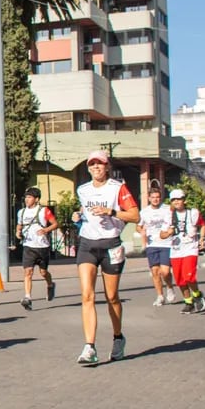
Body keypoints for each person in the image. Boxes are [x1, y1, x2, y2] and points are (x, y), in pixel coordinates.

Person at [70, 150, 139, 366]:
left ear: (107, 167)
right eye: (92, 165)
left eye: (100, 164)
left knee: (112, 297)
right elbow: (85, 213)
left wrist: (111, 211)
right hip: (88, 245)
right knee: (87, 296)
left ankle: (118, 337)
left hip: (111, 244)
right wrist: (78, 218)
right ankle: (89, 347)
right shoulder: (83, 190)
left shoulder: (118, 188)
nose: (96, 168)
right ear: (88, 168)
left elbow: (135, 215)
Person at [161, 188, 205, 313]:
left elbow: (202, 224)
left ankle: (197, 294)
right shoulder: (169, 216)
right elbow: (162, 235)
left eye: (179, 199)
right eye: (173, 200)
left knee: (189, 277)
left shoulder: (193, 213)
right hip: (176, 249)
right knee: (180, 279)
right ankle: (188, 302)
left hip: (190, 248)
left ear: (184, 200)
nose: (176, 202)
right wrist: (168, 232)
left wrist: (202, 238)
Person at [14, 186, 57, 311]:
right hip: (28, 246)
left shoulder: (44, 211)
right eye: (26, 197)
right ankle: (28, 297)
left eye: (29, 197)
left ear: (36, 199)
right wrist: (18, 232)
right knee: (28, 272)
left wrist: (45, 230)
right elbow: (19, 225)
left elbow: (55, 224)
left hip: (42, 246)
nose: (27, 200)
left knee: (43, 272)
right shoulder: (21, 212)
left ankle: (50, 284)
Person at [136, 185, 176, 306]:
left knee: (165, 271)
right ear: (149, 198)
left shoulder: (168, 209)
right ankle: (160, 296)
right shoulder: (144, 212)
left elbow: (174, 222)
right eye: (153, 197)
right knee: (154, 271)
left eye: (157, 197)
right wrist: (141, 230)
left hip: (166, 243)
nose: (155, 199)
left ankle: (169, 287)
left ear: (161, 198)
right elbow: (138, 226)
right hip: (151, 244)